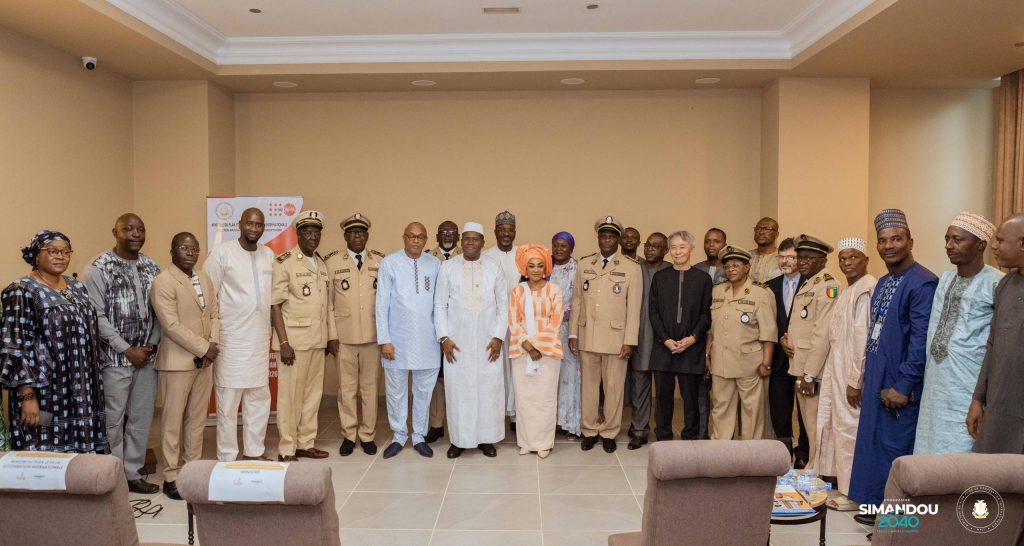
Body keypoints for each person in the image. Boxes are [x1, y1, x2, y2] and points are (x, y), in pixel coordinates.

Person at [850, 209, 937, 524]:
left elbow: (920, 340)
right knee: (873, 444)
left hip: (901, 382)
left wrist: (903, 385)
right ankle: (875, 509)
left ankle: (898, 523)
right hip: (878, 374)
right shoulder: (884, 281)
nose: (889, 246)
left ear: (910, 242)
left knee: (895, 448)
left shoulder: (923, 283)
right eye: (883, 240)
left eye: (896, 239)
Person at [1, 231, 105, 453]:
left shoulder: (76, 286)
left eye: (66, 252)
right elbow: (16, 345)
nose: (60, 256)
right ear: (36, 255)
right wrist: (27, 395)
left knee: (80, 454)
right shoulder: (21, 290)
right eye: (52, 251)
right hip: (46, 390)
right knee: (45, 451)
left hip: (80, 386)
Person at [82, 213, 162, 494]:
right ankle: (113, 476)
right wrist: (126, 349)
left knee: (141, 418)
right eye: (128, 229)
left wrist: (151, 345)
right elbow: (96, 315)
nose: (135, 234)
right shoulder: (98, 267)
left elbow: (161, 311)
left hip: (147, 358)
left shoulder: (152, 267)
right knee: (113, 420)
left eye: (140, 229)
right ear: (114, 232)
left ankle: (132, 473)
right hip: (115, 359)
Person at [916, 213, 1001, 455]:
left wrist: (981, 398)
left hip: (968, 386)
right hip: (936, 383)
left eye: (957, 239)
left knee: (961, 449)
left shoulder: (996, 283)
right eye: (947, 239)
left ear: (980, 245)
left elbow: (997, 343)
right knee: (929, 447)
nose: (949, 246)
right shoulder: (944, 279)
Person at [151, 233, 219, 500]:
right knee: (172, 421)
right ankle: (171, 474)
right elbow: (170, 325)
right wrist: (203, 348)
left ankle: (192, 468)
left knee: (197, 419)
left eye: (194, 248)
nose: (190, 252)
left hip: (204, 361)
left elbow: (214, 314)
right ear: (172, 251)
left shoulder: (204, 278)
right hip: (177, 362)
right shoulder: (163, 281)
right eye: (183, 248)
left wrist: (212, 345)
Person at [204, 207, 274, 462]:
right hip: (231, 339)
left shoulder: (269, 255)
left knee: (258, 398)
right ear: (240, 224)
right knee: (228, 402)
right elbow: (208, 295)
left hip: (259, 339)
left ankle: (254, 451)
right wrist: (211, 337)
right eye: (250, 223)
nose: (254, 228)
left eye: (259, 224)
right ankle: (228, 456)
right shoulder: (222, 254)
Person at [569, 216, 642, 454]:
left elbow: (634, 307)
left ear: (618, 240)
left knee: (613, 389)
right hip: (588, 335)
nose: (607, 240)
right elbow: (577, 300)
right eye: (603, 236)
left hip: (616, 339)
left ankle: (609, 432)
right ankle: (589, 430)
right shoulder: (584, 264)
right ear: (598, 238)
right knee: (588, 388)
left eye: (611, 236)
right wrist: (573, 333)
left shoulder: (631, 268)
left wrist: (630, 341)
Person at [434, 222, 508, 458]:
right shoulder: (448, 268)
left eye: (475, 239)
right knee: (458, 391)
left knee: (488, 390)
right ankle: (459, 440)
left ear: (483, 242)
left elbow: (504, 307)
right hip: (457, 343)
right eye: (466, 238)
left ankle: (487, 439)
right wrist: (444, 337)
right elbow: (439, 305)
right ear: (461, 241)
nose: (470, 243)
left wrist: (498, 337)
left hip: (488, 343)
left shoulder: (494, 267)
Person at [271, 210, 337, 462]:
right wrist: (283, 342)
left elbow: (326, 305)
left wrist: (329, 338)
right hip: (294, 344)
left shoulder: (320, 263)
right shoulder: (285, 262)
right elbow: (275, 305)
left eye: (316, 233)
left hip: (317, 341)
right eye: (307, 232)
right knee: (290, 398)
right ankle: (287, 448)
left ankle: (305, 443)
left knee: (312, 396)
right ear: (297, 234)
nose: (312, 237)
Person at [817, 237, 876, 510]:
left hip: (851, 374)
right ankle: (841, 484)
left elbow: (863, 339)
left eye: (853, 257)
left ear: (866, 260)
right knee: (835, 426)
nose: (847, 263)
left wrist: (855, 380)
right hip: (837, 368)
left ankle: (854, 493)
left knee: (850, 429)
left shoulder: (866, 288)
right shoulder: (847, 289)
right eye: (842, 258)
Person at [376, 222, 442, 459]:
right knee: (396, 390)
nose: (416, 240)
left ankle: (419, 436)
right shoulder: (389, 263)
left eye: (420, 237)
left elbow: (439, 303)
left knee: (424, 391)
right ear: (404, 237)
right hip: (397, 339)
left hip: (428, 339)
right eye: (411, 236)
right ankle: (399, 435)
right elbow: (381, 304)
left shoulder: (435, 264)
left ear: (426, 240)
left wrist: (441, 336)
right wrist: (384, 340)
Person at [325, 213, 385, 456]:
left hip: (373, 336)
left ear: (367, 236)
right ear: (345, 236)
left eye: (361, 232)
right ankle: (349, 434)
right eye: (352, 232)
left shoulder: (380, 261)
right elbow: (328, 304)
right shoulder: (332, 263)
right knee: (346, 389)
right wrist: (331, 335)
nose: (357, 236)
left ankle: (367, 434)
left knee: (370, 389)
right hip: (343, 338)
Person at [780, 235, 839, 471]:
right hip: (800, 364)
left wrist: (810, 374)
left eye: (808, 258)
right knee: (807, 422)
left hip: (814, 370)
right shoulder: (808, 283)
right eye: (800, 257)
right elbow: (803, 325)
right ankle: (814, 466)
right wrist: (787, 339)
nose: (802, 262)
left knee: (816, 424)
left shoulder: (828, 286)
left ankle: (817, 469)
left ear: (823, 260)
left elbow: (823, 334)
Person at [967, 213, 1024, 454]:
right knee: (991, 471)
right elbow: (992, 346)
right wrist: (978, 399)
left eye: (1000, 240)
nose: (994, 246)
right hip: (999, 406)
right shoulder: (1005, 285)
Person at [707, 246, 776, 441]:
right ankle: (721, 449)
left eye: (736, 265)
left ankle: (750, 451)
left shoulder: (761, 293)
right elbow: (712, 329)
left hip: (750, 363)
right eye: (727, 266)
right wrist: (707, 354)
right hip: (721, 360)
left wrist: (766, 363)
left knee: (752, 409)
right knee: (720, 407)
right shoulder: (718, 290)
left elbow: (769, 333)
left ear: (747, 267)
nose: (731, 269)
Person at [648, 231, 712, 442]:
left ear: (691, 248)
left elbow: (706, 313)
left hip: (692, 348)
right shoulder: (660, 278)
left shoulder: (703, 279)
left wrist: (693, 338)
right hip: (663, 347)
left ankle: (690, 437)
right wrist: (665, 339)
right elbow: (653, 312)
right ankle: (663, 438)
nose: (677, 252)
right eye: (674, 247)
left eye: (682, 247)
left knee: (690, 398)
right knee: (663, 398)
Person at [508, 244, 564, 458]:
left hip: (547, 352)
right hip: (522, 351)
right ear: (525, 268)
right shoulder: (517, 291)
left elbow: (555, 322)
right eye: (531, 266)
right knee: (525, 399)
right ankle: (526, 442)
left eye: (540, 265)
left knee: (545, 399)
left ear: (546, 268)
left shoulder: (554, 290)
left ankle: (544, 443)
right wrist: (528, 346)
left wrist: (537, 346)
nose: (536, 270)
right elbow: (513, 320)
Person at [766, 238, 809, 464]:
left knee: (804, 411)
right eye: (782, 257)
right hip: (779, 360)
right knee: (780, 411)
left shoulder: (811, 284)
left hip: (804, 359)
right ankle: (784, 455)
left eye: (791, 257)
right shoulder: (768, 287)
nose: (786, 261)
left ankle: (803, 455)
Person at [626, 231, 670, 449]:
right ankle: (639, 430)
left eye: (657, 246)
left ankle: (663, 431)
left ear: (666, 250)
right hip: (641, 336)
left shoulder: (671, 271)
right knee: (640, 386)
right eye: (648, 245)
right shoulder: (635, 269)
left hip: (665, 339)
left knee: (663, 390)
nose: (650, 249)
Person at [425, 220, 461, 443]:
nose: (448, 236)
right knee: (436, 379)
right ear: (437, 236)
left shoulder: (467, 256)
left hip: (459, 328)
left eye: (452, 232)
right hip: (433, 328)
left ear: (458, 237)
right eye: (443, 232)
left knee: (459, 376)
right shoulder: (427, 259)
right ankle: (436, 424)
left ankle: (460, 423)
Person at [484, 211, 520, 428]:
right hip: (494, 323)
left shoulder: (523, 255)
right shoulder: (486, 256)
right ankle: (496, 416)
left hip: (518, 323)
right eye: (502, 230)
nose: (506, 234)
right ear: (495, 232)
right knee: (495, 369)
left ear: (514, 232)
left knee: (517, 369)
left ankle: (516, 416)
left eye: (510, 230)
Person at [550, 231, 582, 440]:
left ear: (571, 249)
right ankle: (552, 422)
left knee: (570, 377)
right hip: (547, 332)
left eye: (564, 246)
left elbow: (582, 300)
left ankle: (570, 423)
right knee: (550, 376)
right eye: (556, 245)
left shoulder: (578, 269)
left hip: (570, 330)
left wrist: (574, 332)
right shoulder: (545, 267)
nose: (559, 249)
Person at [749, 217, 782, 283]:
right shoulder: (746, 257)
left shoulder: (783, 257)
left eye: (766, 229)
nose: (761, 232)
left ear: (776, 234)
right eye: (758, 229)